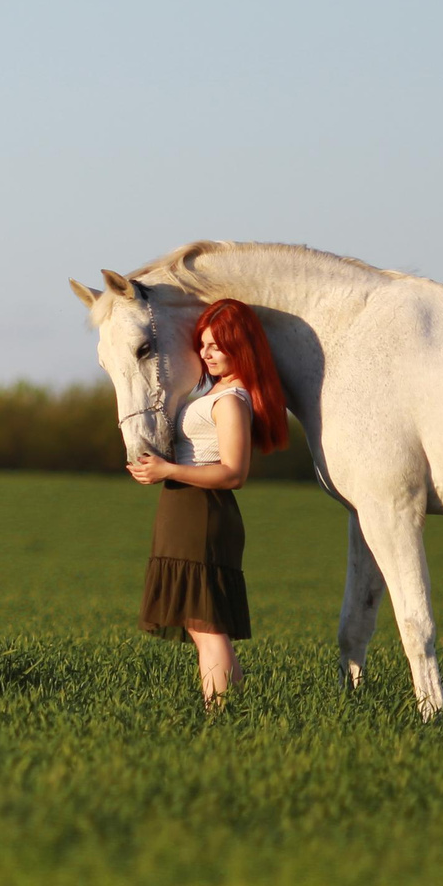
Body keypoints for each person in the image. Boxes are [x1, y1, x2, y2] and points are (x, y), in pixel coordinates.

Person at [126, 297, 290, 705]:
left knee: (207, 625)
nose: (207, 352)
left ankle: (223, 712)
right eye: (203, 344)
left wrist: (168, 471)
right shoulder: (215, 391)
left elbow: (234, 472)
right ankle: (225, 712)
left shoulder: (232, 400)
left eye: (218, 345)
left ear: (242, 344)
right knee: (202, 626)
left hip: (203, 511)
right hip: (184, 509)